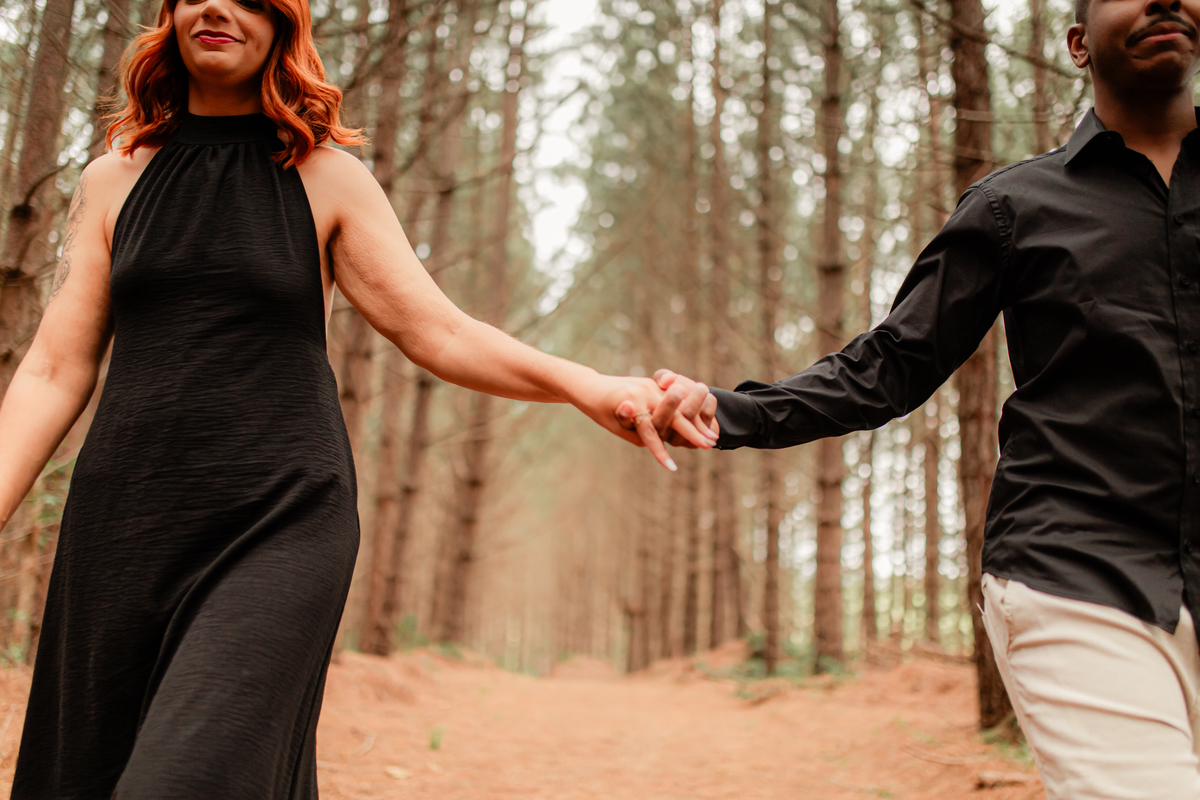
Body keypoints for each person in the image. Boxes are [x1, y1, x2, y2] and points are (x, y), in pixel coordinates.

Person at [0, 1, 719, 797]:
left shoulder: (323, 177)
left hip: (278, 517)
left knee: (187, 773)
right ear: (168, 15)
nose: (218, 6)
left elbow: (438, 331)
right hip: (123, 526)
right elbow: (52, 370)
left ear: (282, 23)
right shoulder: (112, 180)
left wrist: (587, 385)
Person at [663, 0, 1200, 796]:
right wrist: (729, 409)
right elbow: (890, 365)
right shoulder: (1015, 208)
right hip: (1076, 573)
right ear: (1079, 45)